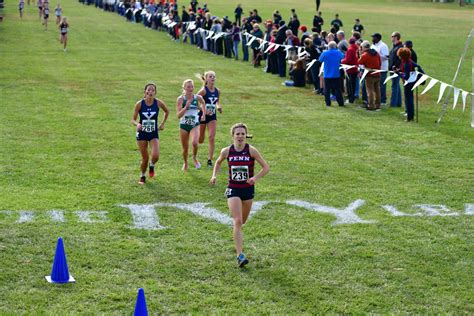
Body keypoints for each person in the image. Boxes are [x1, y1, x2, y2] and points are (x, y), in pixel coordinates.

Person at [210, 123, 269, 268]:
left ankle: (238, 240)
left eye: (243, 133)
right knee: (237, 220)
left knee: (242, 222)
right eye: (238, 134)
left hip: (248, 190)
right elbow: (218, 162)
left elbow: (266, 167)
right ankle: (240, 255)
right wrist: (214, 176)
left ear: (246, 135)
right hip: (233, 189)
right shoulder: (227, 151)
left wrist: (255, 178)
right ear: (233, 136)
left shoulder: (251, 150)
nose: (240, 136)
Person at [131, 83, 169, 184]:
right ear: (145, 92)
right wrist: (137, 124)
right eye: (148, 90)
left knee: (155, 156)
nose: (150, 92)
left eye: (153, 90)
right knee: (145, 158)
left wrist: (162, 124)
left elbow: (167, 111)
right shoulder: (139, 104)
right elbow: (133, 119)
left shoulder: (158, 103)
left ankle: (151, 165)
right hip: (142, 133)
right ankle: (142, 176)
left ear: (155, 93)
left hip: (153, 132)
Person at [176, 79, 206, 171]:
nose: (190, 88)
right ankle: (185, 163)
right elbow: (178, 115)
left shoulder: (197, 98)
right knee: (185, 149)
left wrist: (204, 114)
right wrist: (185, 108)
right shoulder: (181, 99)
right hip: (184, 125)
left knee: (194, 143)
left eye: (192, 86)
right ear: (184, 88)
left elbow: (203, 104)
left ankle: (194, 158)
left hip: (195, 124)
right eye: (188, 87)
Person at [198, 71, 222, 167]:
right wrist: (203, 110)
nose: (213, 78)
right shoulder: (203, 91)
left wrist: (218, 107)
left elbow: (217, 102)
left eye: (214, 76)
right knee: (201, 139)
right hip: (203, 115)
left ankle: (209, 160)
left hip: (212, 116)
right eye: (210, 76)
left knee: (211, 137)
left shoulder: (218, 91)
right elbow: (194, 102)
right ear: (206, 78)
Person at [397, 47, 424, 122]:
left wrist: (398, 73)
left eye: (400, 55)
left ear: (402, 56)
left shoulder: (407, 64)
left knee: (408, 100)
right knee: (410, 99)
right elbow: (417, 66)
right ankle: (410, 116)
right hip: (411, 82)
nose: (399, 57)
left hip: (409, 83)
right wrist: (399, 70)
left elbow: (406, 77)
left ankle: (410, 117)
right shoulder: (409, 61)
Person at [319, 41, 344, 107]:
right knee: (338, 89)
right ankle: (340, 102)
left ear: (328, 46)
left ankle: (328, 103)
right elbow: (343, 57)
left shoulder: (325, 53)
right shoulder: (338, 52)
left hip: (327, 74)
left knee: (327, 89)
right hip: (336, 74)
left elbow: (320, 60)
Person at [358, 40, 381, 111]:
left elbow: (358, 62)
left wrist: (360, 53)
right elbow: (380, 63)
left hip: (369, 75)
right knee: (377, 90)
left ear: (364, 47)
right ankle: (378, 105)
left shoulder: (365, 55)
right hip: (377, 74)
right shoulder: (376, 53)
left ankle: (371, 105)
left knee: (370, 91)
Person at [371, 33, 389, 106]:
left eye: (373, 37)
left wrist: (376, 55)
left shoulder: (383, 46)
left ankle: (383, 100)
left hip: (382, 69)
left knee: (382, 85)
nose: (372, 39)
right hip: (374, 69)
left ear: (378, 38)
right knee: (375, 85)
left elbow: (386, 57)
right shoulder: (373, 45)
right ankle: (377, 99)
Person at [389, 31, 403, 107]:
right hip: (392, 68)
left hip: (396, 70)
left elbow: (400, 59)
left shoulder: (400, 47)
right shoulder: (394, 46)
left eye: (392, 36)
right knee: (396, 85)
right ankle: (398, 103)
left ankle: (393, 103)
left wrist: (396, 67)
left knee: (394, 86)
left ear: (396, 37)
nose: (391, 38)